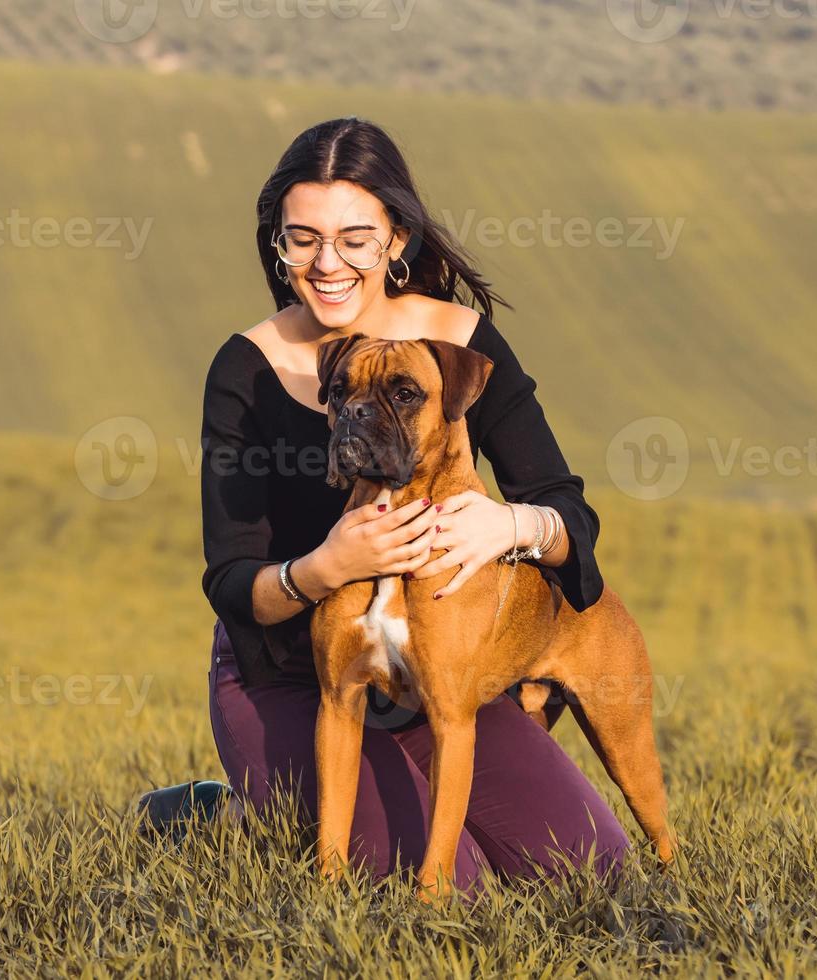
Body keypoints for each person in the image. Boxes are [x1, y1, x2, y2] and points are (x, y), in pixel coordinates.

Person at [199, 117, 628, 893]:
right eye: (303, 239)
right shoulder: (247, 368)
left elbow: (573, 521)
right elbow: (230, 581)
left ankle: (386, 780)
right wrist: (324, 568)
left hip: (437, 668)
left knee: (591, 871)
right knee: (431, 882)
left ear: (397, 238)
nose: (328, 263)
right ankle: (210, 813)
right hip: (291, 672)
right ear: (277, 244)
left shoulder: (458, 347)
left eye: (356, 238)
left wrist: (514, 524)